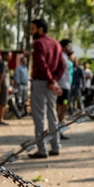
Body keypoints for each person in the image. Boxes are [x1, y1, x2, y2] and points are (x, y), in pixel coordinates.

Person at [28, 19, 65, 159]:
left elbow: (42, 64)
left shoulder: (38, 43)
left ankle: (42, 149)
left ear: (40, 29)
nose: (31, 31)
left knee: (39, 117)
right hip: (52, 84)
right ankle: (56, 146)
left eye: (33, 28)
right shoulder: (56, 44)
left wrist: (50, 80)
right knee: (52, 116)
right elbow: (62, 65)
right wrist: (54, 80)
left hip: (40, 82)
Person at [57, 39, 73, 138]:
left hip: (65, 86)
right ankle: (59, 131)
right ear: (63, 47)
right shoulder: (61, 57)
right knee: (62, 109)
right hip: (62, 87)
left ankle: (59, 131)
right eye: (68, 46)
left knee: (62, 109)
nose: (70, 48)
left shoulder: (65, 57)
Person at [0, 51, 11, 125]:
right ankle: (0, 118)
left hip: (2, 85)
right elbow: (1, 75)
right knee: (2, 102)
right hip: (3, 85)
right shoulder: (3, 64)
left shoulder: (2, 63)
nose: (10, 57)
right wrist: (0, 86)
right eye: (9, 55)